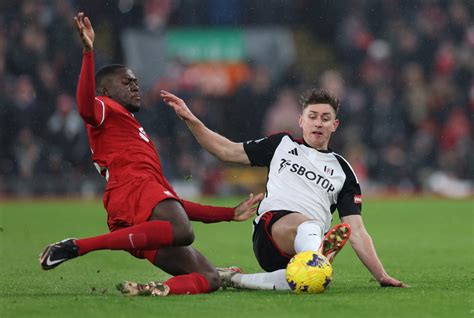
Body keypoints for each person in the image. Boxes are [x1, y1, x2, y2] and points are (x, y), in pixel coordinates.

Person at [39, 12, 263, 297]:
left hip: (134, 203)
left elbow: (174, 203)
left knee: (208, 277)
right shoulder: (105, 108)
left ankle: (155, 289)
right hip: (131, 190)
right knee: (182, 230)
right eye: (127, 82)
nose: (135, 87)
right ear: (106, 90)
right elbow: (84, 106)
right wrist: (88, 51)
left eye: (136, 82)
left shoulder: (132, 130)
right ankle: (79, 246)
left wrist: (229, 214)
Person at [161, 88, 408, 290]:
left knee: (303, 280)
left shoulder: (344, 171)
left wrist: (381, 275)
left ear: (335, 125)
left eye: (325, 118)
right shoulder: (282, 144)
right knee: (309, 227)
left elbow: (356, 230)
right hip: (270, 231)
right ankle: (318, 256)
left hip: (299, 247)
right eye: (312, 117)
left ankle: (236, 279)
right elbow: (225, 150)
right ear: (301, 120)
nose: (318, 123)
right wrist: (191, 120)